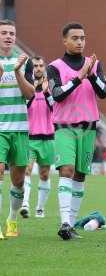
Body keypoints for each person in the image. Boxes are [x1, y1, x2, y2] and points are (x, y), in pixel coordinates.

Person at [47, 22, 106, 240]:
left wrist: (90, 74)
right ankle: (64, 222)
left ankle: (70, 225)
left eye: (82, 38)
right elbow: (56, 94)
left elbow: (104, 92)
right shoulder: (54, 67)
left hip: (89, 128)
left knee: (80, 175)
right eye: (75, 38)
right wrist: (78, 78)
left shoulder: (95, 65)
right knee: (67, 170)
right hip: (64, 127)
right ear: (64, 41)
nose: (80, 42)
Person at [0, 19, 35, 239]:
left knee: (19, 180)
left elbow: (31, 94)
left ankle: (11, 219)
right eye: (4, 33)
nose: (8, 36)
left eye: (11, 33)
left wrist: (18, 71)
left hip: (21, 128)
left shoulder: (24, 61)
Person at [20, 56, 54, 219]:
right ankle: (25, 204)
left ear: (44, 67)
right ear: (31, 68)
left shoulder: (50, 86)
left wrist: (47, 91)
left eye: (41, 65)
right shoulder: (27, 89)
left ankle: (40, 208)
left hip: (48, 137)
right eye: (35, 66)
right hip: (30, 137)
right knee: (27, 169)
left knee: (44, 175)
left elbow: (56, 107)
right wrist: (35, 88)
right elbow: (24, 105)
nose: (38, 68)